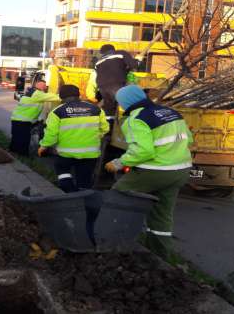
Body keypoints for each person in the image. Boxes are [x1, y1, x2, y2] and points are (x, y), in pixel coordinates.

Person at [104, 85, 193, 261]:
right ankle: (159, 256)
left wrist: (118, 163)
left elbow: (143, 152)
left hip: (156, 170)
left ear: (125, 102)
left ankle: (108, 242)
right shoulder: (170, 112)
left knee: (116, 197)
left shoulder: (135, 119)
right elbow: (189, 139)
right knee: (162, 215)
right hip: (181, 170)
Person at [38, 85, 110, 192]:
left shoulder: (57, 112)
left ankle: (70, 193)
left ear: (61, 97)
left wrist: (43, 146)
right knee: (85, 180)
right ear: (78, 95)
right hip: (90, 153)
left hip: (66, 154)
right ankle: (84, 200)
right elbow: (105, 129)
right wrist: (95, 136)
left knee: (63, 171)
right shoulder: (96, 109)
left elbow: (51, 134)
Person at [85, 45, 139, 123]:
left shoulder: (98, 62)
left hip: (102, 87)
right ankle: (125, 124)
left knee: (109, 108)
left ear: (102, 53)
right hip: (116, 84)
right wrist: (137, 62)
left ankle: (109, 127)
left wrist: (91, 96)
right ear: (113, 49)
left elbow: (93, 80)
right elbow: (133, 65)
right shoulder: (121, 53)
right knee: (125, 105)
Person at [9, 80, 59, 156]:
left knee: (16, 138)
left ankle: (13, 152)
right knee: (24, 139)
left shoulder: (31, 92)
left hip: (17, 119)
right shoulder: (37, 94)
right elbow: (54, 97)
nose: (46, 87)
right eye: (45, 86)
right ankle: (23, 156)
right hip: (23, 121)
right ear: (42, 87)